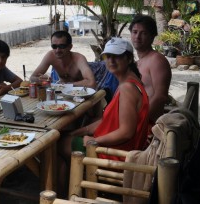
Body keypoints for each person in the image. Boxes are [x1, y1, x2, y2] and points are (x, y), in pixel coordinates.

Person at [57, 38, 149, 195]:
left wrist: (93, 141)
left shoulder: (127, 88)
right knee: (66, 137)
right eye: (108, 56)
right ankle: (71, 189)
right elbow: (107, 120)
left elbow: (126, 132)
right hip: (119, 148)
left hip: (116, 155)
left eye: (117, 56)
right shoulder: (131, 82)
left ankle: (67, 193)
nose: (111, 61)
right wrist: (80, 131)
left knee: (58, 144)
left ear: (128, 58)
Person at [129, 15, 172, 124]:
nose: (137, 37)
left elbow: (160, 96)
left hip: (147, 124)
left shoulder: (156, 60)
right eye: (134, 32)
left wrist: (138, 121)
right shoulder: (138, 62)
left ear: (152, 37)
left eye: (143, 33)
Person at [30, 30, 96, 88]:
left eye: (62, 46)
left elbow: (91, 83)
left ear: (70, 47)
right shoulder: (50, 56)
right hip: (62, 92)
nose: (57, 50)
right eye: (54, 46)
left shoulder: (79, 59)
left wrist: (67, 85)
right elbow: (32, 78)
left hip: (82, 93)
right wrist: (41, 80)